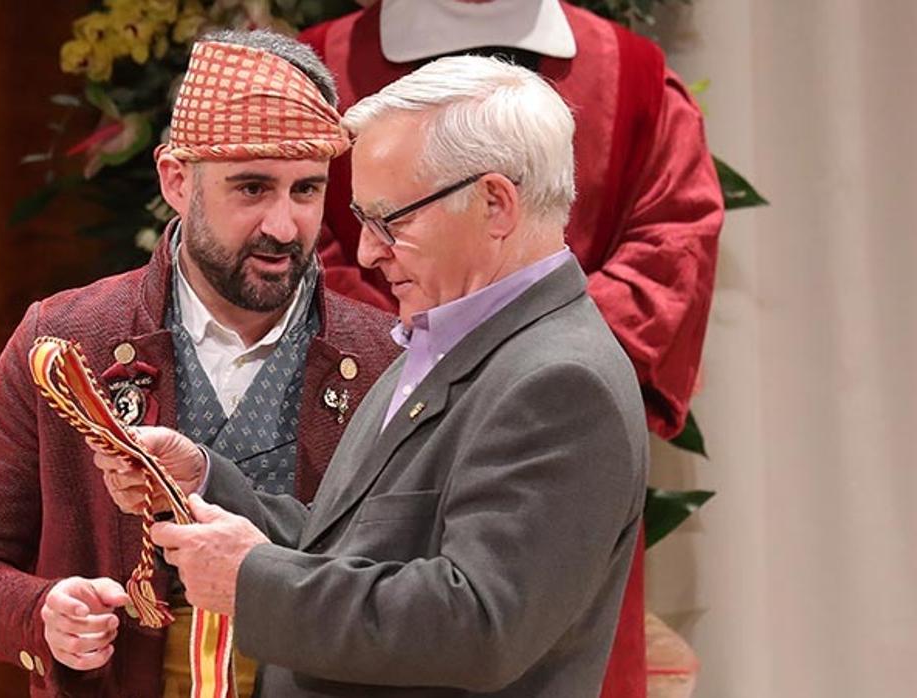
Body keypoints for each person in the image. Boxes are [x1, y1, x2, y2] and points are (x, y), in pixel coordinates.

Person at [96, 56, 650, 697]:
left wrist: (249, 582)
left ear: (495, 203)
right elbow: (348, 550)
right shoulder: (446, 339)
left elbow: (479, 625)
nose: (365, 252)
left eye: (392, 221)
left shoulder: (560, 382)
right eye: (362, 221)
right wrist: (207, 481)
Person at [0, 30, 401, 698]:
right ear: (175, 180)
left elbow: (416, 584)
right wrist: (42, 614)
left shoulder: (387, 357)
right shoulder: (64, 339)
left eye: (306, 190)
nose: (285, 226)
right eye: (252, 187)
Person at [301, 4, 725, 693]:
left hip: (550, 459)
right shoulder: (319, 66)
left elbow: (671, 249)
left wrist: (527, 366)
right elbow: (297, 244)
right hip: (363, 436)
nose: (374, 242)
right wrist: (421, 356)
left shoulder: (635, 78)